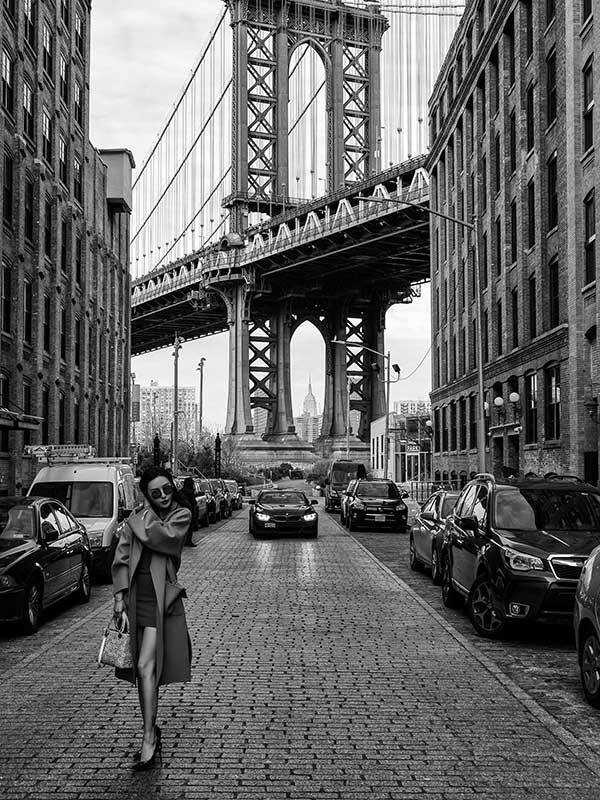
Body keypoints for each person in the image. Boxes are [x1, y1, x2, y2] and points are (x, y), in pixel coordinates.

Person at [112, 466, 192, 771]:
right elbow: (120, 558)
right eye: (155, 493)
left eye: (166, 490)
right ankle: (150, 729)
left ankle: (148, 737)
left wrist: (134, 520)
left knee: (146, 667)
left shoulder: (180, 515)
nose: (162, 497)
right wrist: (119, 597)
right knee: (143, 670)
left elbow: (163, 538)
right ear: (147, 494)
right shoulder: (138, 517)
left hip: (160, 602)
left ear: (172, 487)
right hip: (135, 599)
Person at [180, 477, 199, 547]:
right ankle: (188, 541)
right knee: (189, 527)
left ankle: (183, 541)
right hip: (189, 512)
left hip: (182, 512)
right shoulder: (190, 492)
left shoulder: (181, 491)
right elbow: (194, 502)